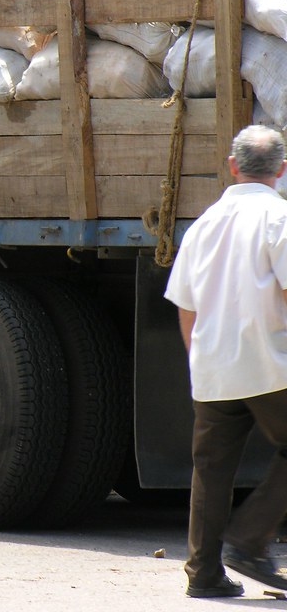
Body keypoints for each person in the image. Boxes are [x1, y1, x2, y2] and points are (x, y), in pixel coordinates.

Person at [165, 125, 287, 598]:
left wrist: (199, 359)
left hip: (213, 366)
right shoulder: (278, 218)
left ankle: (203, 573)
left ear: (232, 167)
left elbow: (186, 305)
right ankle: (251, 540)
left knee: (211, 470)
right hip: (271, 362)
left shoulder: (204, 224)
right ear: (281, 171)